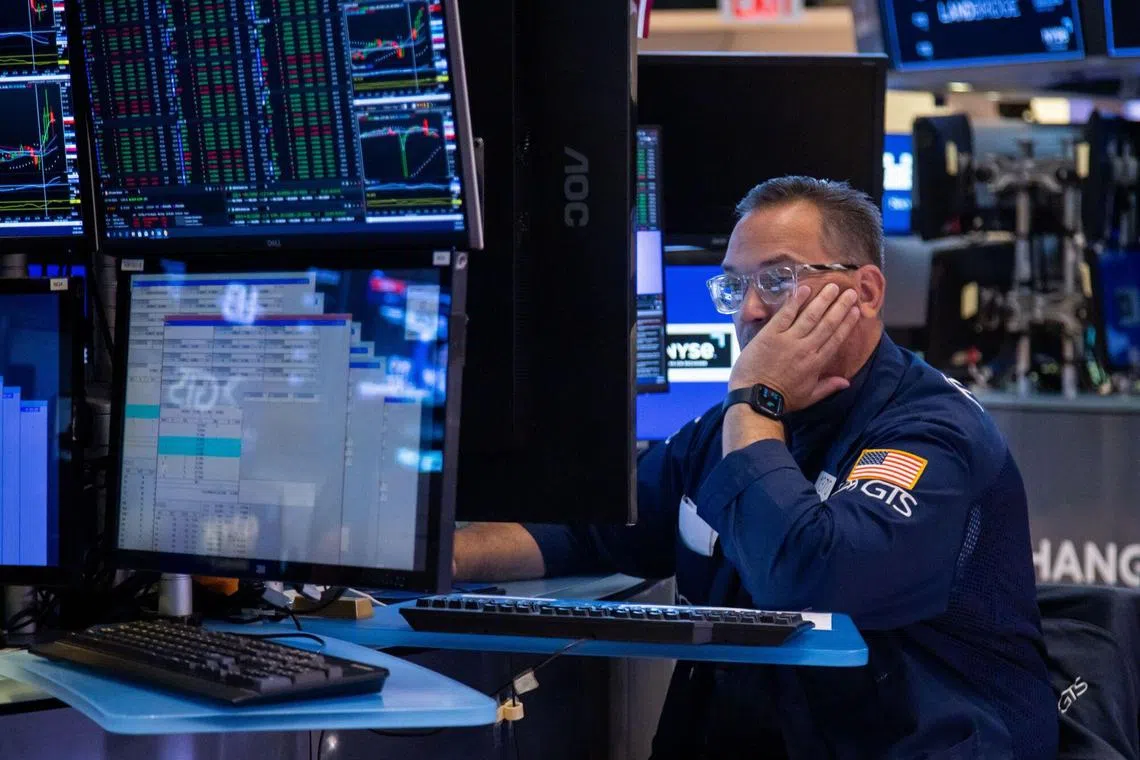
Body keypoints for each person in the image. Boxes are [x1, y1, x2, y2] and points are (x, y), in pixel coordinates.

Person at [454, 176, 1056, 759]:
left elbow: (814, 583)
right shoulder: (732, 423)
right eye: (734, 286)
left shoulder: (933, 433)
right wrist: (444, 556)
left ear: (867, 292)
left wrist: (755, 399)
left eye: (779, 280)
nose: (749, 311)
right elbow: (599, 526)